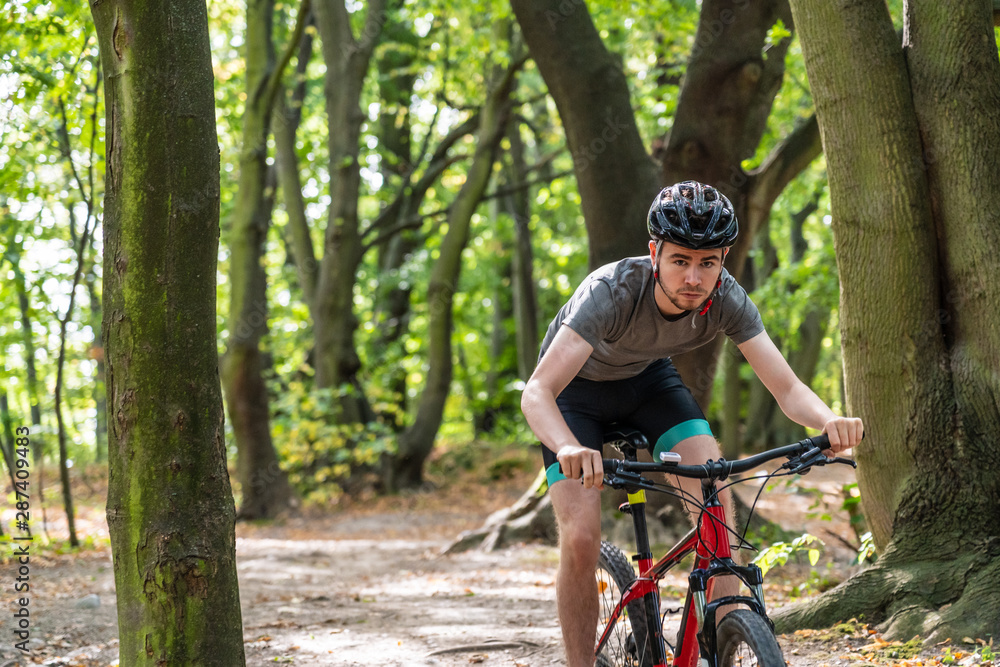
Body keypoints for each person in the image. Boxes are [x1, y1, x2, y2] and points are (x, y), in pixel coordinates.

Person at [520, 181, 864, 667]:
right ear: (654, 252)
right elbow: (537, 391)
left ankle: (727, 634)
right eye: (680, 260)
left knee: (714, 491)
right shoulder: (611, 292)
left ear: (724, 259)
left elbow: (786, 389)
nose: (694, 278)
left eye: (708, 263)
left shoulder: (726, 298)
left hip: (648, 381)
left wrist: (831, 420)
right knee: (580, 537)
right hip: (575, 392)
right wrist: (567, 447)